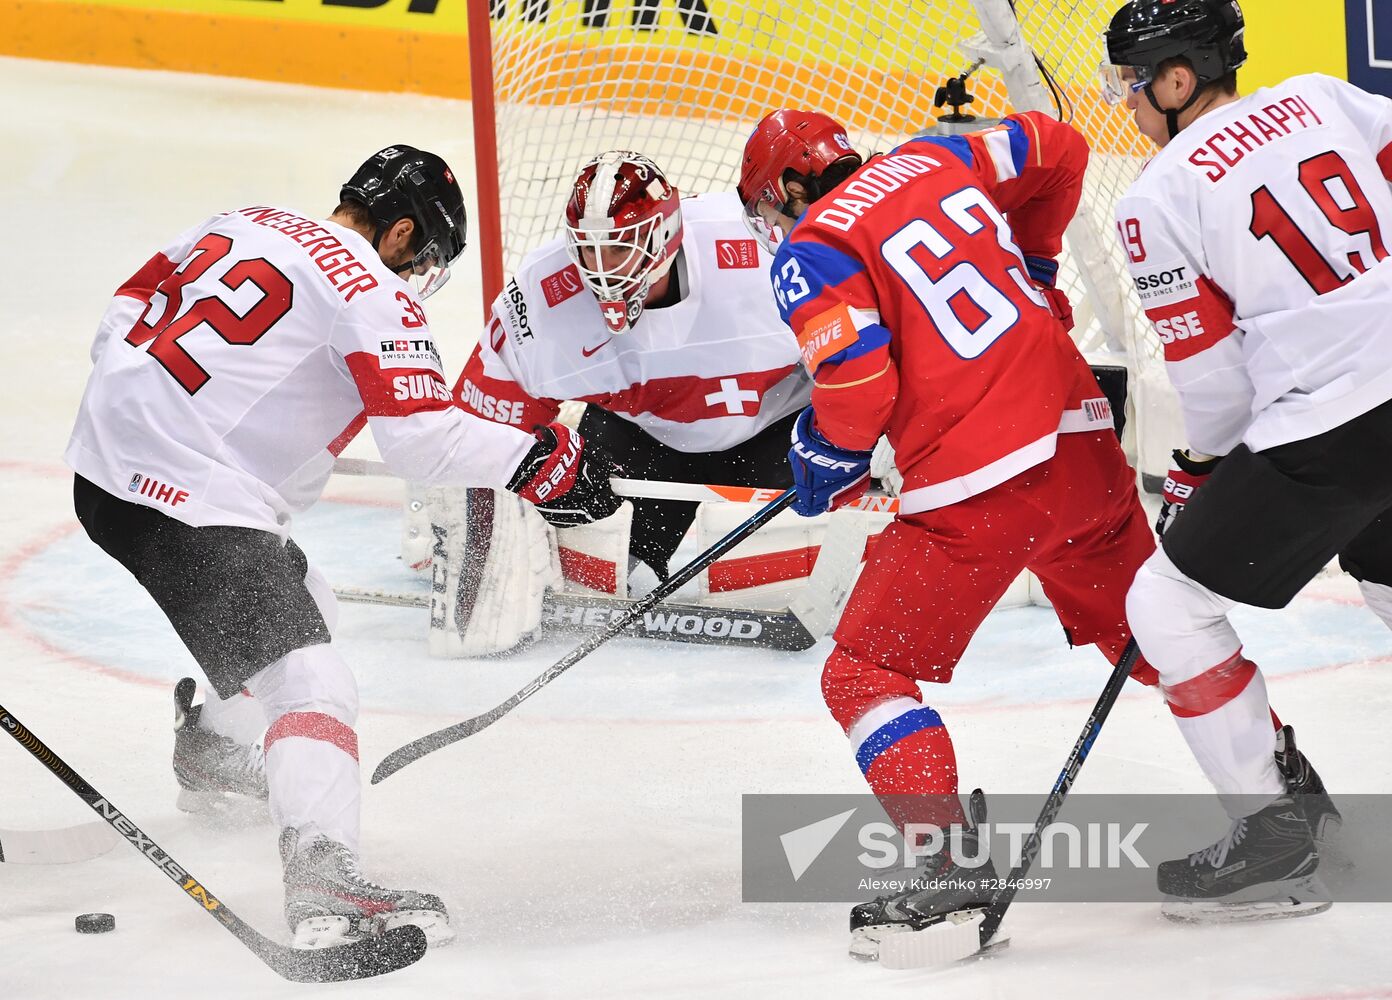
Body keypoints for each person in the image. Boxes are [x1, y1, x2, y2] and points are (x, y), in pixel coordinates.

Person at [64, 145, 617, 948]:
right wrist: (542, 463)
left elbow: (128, 304)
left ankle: (216, 752)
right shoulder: (366, 289)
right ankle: (325, 873)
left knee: (307, 602)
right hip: (182, 499)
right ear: (398, 233)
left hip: (101, 466)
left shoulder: (242, 220)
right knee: (311, 683)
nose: (416, 275)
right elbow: (421, 443)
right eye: (423, 256)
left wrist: (154, 412)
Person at [737, 109, 1158, 959]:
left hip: (980, 477)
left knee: (863, 672)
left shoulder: (812, 246)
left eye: (769, 209)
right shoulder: (937, 155)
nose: (775, 227)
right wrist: (1036, 267)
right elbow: (1061, 147)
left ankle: (947, 865)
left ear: (788, 186)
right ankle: (1282, 802)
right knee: (1159, 634)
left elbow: (855, 386)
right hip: (1081, 440)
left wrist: (824, 450)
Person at [1104, 0, 1382, 921]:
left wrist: (1197, 466)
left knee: (1165, 602)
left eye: (1136, 87)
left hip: (1332, 421)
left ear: (1180, 80)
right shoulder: (1323, 96)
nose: (1130, 107)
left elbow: (1213, 379)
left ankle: (1271, 835)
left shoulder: (1156, 195)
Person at [448, 150, 808, 583]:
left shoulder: (765, 247)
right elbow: (481, 417)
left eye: (617, 248)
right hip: (644, 438)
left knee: (767, 582)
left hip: (775, 434)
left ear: (663, 236)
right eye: (587, 250)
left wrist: (879, 432)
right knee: (599, 582)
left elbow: (867, 338)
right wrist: (527, 471)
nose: (599, 271)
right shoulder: (544, 292)